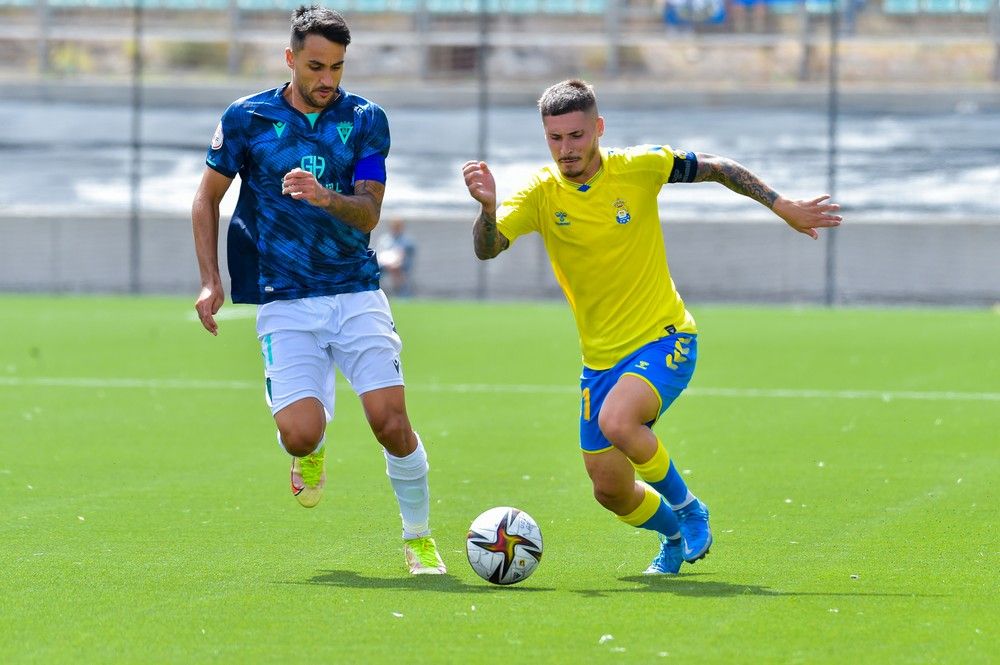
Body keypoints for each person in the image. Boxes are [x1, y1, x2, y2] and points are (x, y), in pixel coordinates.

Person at [461, 79, 841, 575]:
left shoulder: (638, 167)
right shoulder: (539, 192)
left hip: (666, 337)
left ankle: (689, 509)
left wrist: (781, 205)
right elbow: (487, 248)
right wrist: (487, 211)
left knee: (618, 422)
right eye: (555, 138)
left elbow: (719, 168)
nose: (566, 149)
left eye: (576, 135)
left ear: (598, 129)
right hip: (600, 361)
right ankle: (673, 534)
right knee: (610, 490)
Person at [191, 5, 445, 575]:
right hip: (285, 298)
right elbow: (206, 197)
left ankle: (419, 537)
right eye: (315, 66)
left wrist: (326, 196)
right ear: (290, 60)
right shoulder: (245, 119)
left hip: (355, 292)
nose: (328, 80)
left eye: (337, 67)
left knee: (390, 421)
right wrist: (211, 281)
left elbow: (370, 211)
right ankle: (310, 453)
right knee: (301, 435)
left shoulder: (366, 119)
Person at [375, 217, 417, 297]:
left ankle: (402, 294)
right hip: (384, 265)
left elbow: (408, 255)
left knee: (396, 270)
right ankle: (378, 293)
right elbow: (380, 253)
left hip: (402, 265)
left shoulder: (407, 241)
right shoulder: (384, 240)